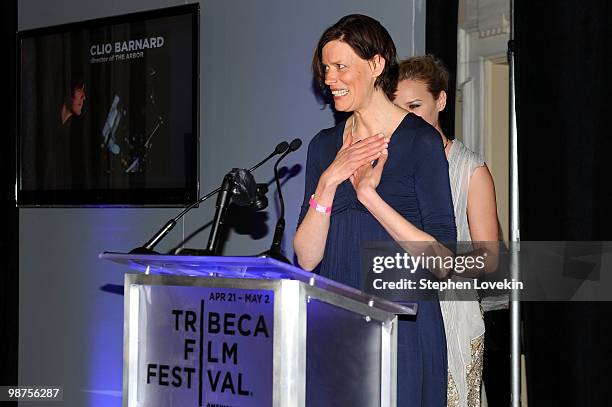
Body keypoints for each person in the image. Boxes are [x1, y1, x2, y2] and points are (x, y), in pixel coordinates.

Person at [294, 15, 456, 406]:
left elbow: (443, 262)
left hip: (403, 331)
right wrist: (328, 182)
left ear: (376, 65)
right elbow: (306, 255)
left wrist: (370, 198)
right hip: (336, 326)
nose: (330, 78)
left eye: (340, 67)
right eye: (326, 69)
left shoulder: (419, 142)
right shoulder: (323, 146)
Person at [394, 55, 499, 407]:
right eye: (398, 108)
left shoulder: (470, 170)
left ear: (440, 101)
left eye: (415, 105)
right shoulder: (386, 165)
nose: (406, 117)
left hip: (451, 309)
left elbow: (489, 258)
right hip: (396, 305)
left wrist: (438, 267)